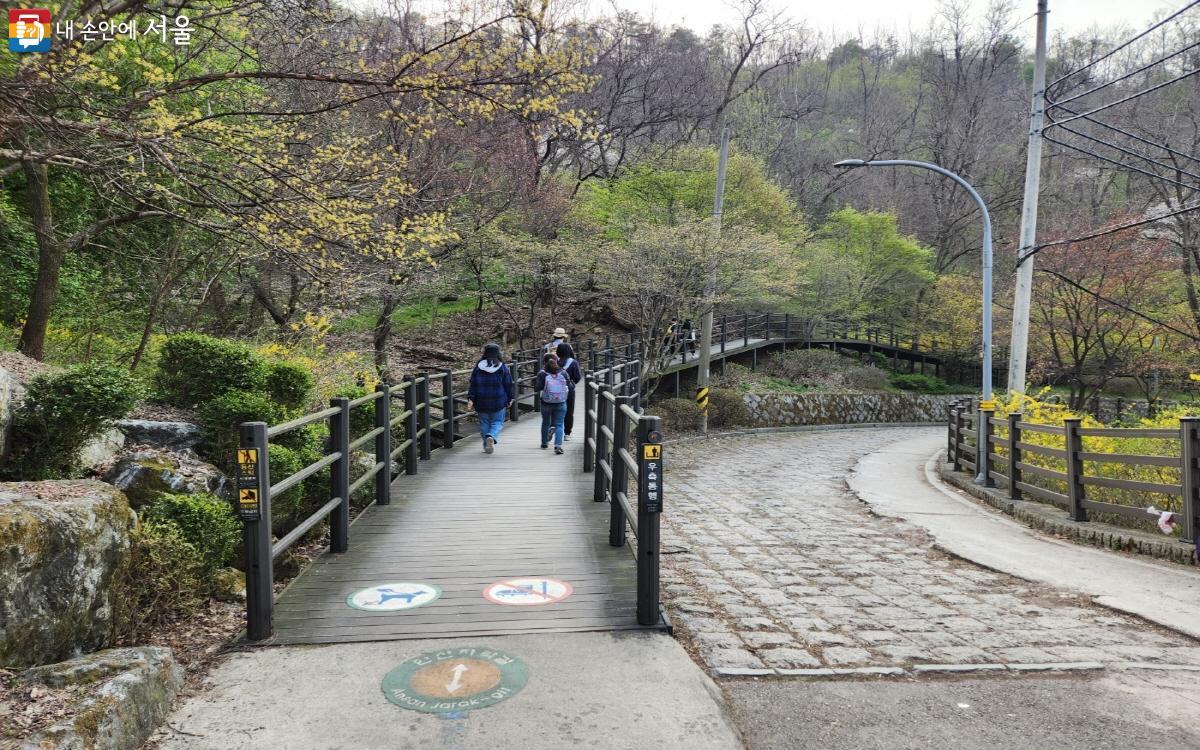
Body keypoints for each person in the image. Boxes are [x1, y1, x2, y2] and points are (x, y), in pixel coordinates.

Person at [466, 343, 514, 454]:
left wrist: (471, 398)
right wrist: (509, 398)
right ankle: (491, 436)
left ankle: (486, 445)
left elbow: (473, 384)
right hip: (498, 400)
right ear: (498, 353)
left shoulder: (478, 367)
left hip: (481, 401)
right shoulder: (502, 367)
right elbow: (508, 384)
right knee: (497, 422)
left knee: (484, 423)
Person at [536, 353, 569, 454]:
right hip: (560, 402)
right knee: (559, 424)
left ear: (544, 363)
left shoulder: (542, 374)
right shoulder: (563, 373)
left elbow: (537, 387)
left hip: (546, 402)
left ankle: (544, 443)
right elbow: (569, 385)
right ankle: (558, 446)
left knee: (546, 422)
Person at [556, 342, 583, 439]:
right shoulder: (573, 362)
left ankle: (553, 427)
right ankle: (567, 433)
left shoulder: (554, 361)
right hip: (568, 389)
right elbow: (578, 377)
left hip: (554, 390)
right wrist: (571, 383)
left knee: (555, 409)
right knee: (569, 411)